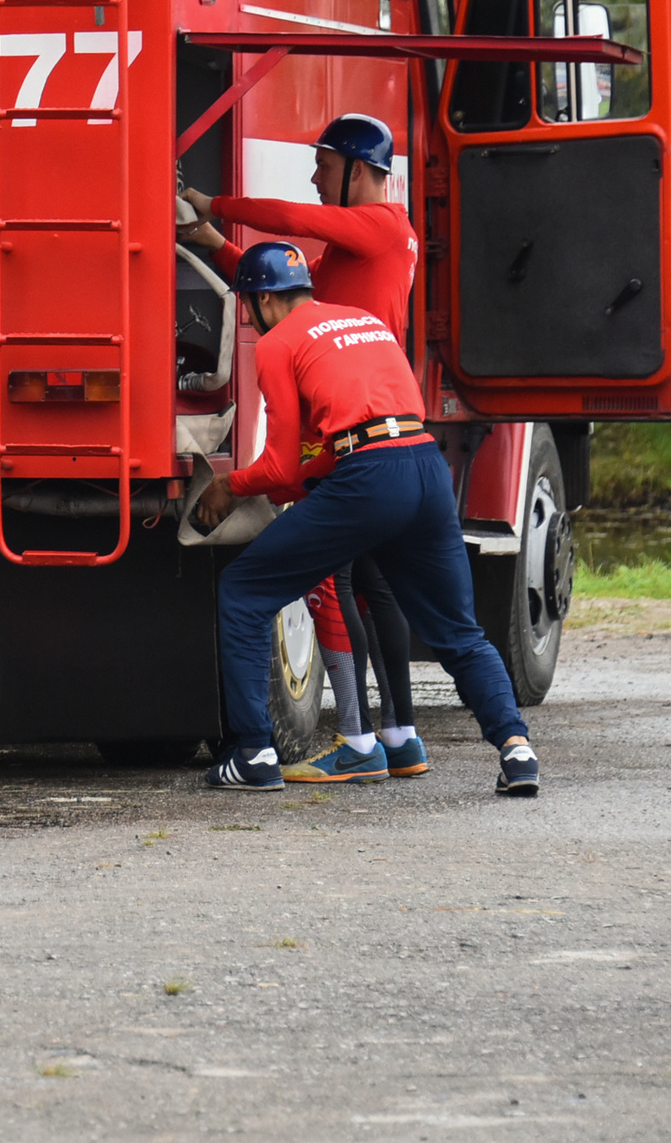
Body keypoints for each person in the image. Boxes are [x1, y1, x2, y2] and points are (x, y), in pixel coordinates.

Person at [190, 243, 538, 798]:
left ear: (259, 299)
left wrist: (231, 485)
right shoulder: (363, 321)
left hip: (370, 480)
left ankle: (253, 754)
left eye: (246, 305)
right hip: (424, 468)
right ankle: (517, 749)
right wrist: (295, 481)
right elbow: (363, 436)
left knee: (244, 590)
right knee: (459, 632)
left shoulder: (279, 342)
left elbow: (281, 464)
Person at [180, 114, 424, 783]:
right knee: (372, 582)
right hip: (373, 421)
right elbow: (284, 297)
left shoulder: (382, 226)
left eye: (324, 164)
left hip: (350, 427)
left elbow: (293, 219)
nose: (314, 178)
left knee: (333, 580)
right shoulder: (355, 254)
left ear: (360, 171)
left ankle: (357, 740)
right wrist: (214, 243)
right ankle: (398, 738)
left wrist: (218, 205)